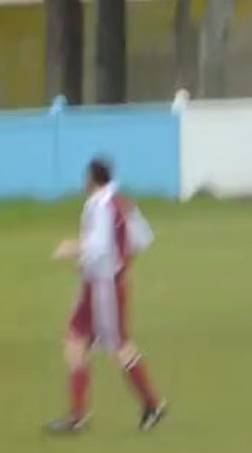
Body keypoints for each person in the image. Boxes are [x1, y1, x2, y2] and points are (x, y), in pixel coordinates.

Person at [46, 159, 168, 433]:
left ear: (91, 179)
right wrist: (121, 263)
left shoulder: (98, 204)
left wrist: (73, 248)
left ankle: (152, 404)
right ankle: (76, 414)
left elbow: (99, 245)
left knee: (118, 344)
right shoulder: (122, 202)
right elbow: (142, 238)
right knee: (75, 338)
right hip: (99, 282)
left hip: (104, 284)